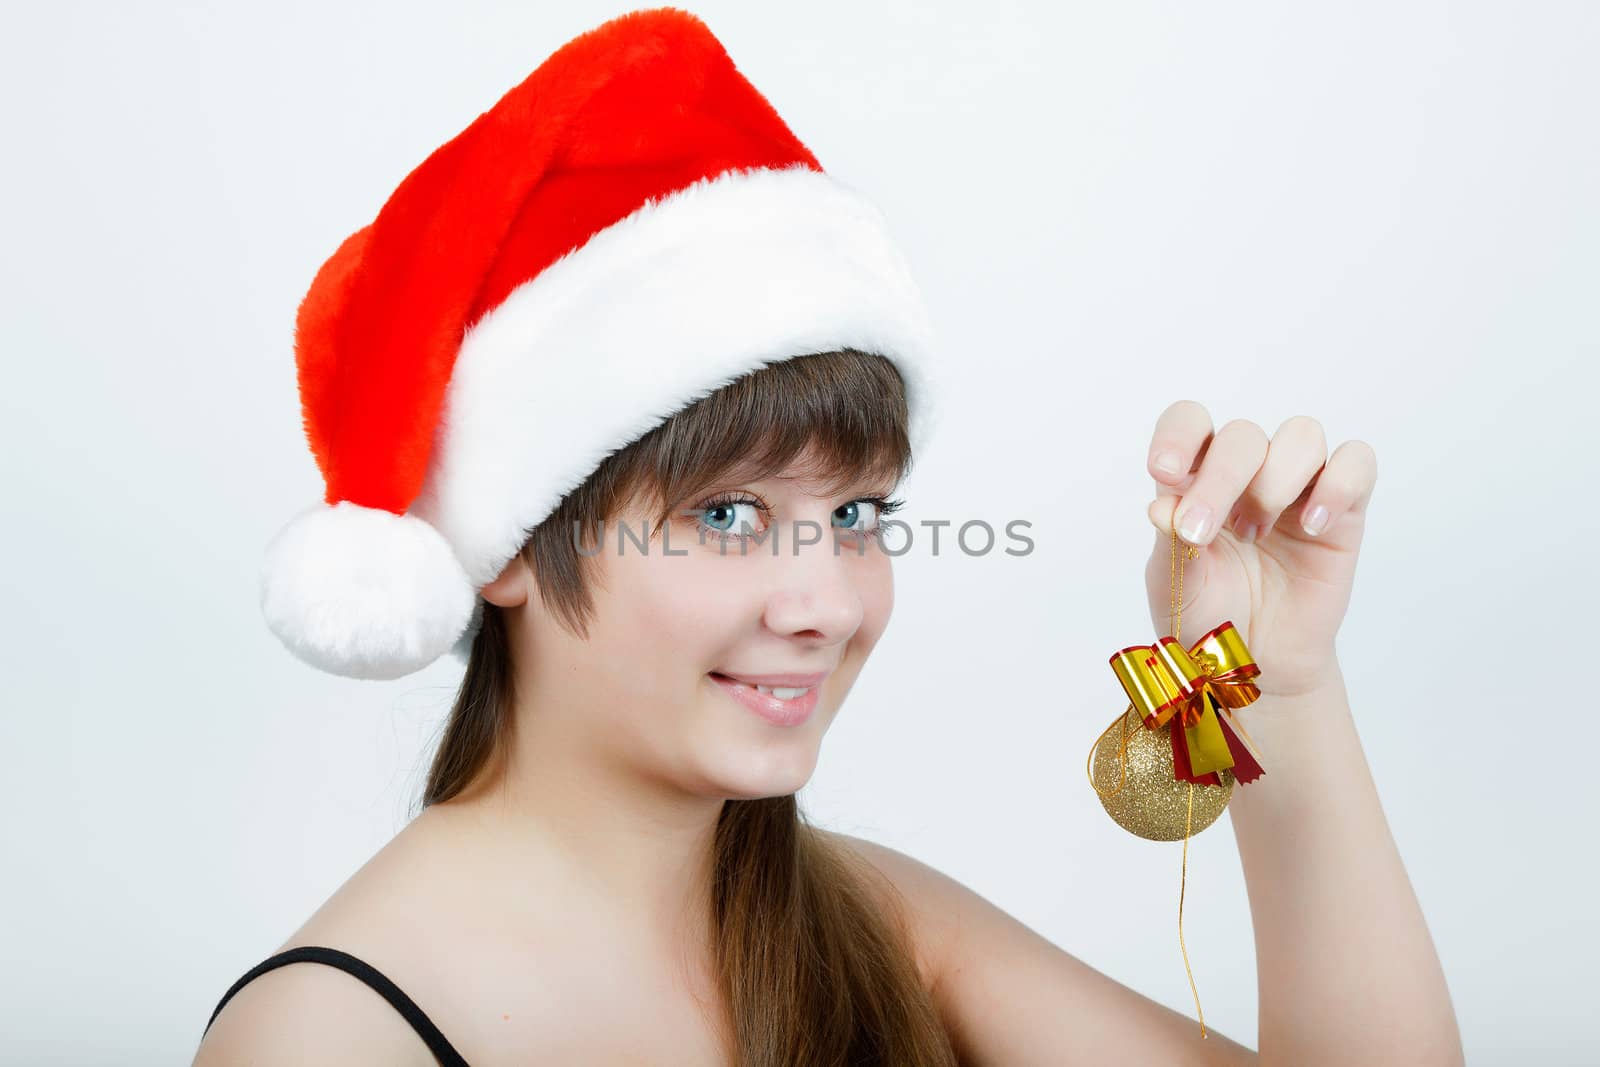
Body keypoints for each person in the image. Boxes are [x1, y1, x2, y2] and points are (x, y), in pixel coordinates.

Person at [194, 8, 1463, 1066]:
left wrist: (1277, 685)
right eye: (728, 514)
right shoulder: (326, 1034)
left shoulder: (868, 920)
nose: (825, 602)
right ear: (508, 546)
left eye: (855, 514)